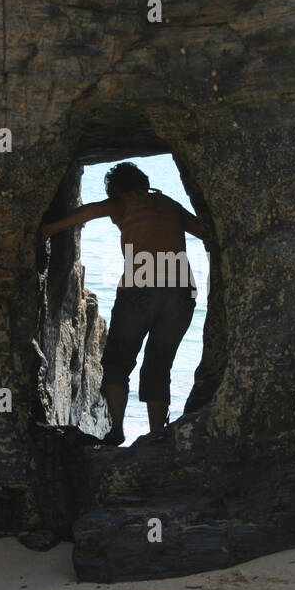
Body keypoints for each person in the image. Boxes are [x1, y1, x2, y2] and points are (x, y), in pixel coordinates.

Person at [40, 162, 206, 445]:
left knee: (117, 362)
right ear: (144, 182)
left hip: (140, 289)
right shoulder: (170, 203)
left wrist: (48, 229)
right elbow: (207, 233)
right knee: (159, 366)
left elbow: (89, 212)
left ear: (116, 189)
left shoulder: (122, 202)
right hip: (181, 293)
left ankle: (116, 429)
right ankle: (156, 436)